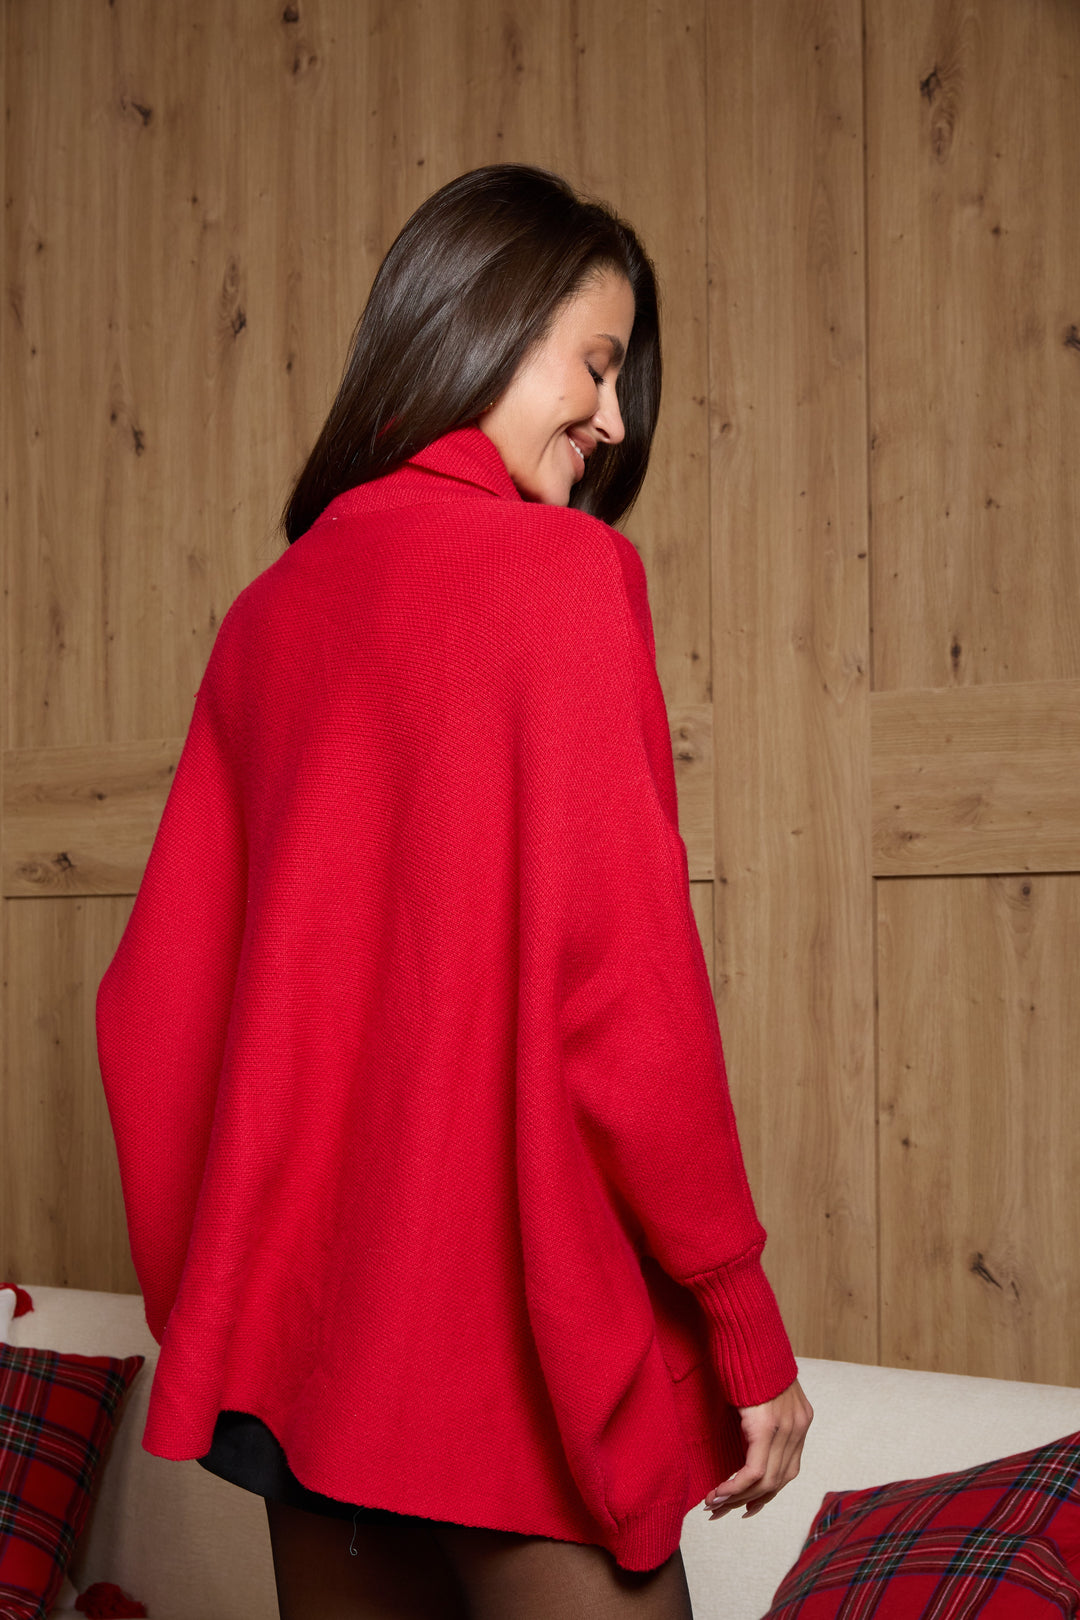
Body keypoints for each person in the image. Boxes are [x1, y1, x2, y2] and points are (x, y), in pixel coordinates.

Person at [97, 164, 812, 1620]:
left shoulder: (269, 617)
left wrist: (229, 1308)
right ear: (483, 326)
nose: (614, 420)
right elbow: (629, 998)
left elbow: (151, 1020)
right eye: (596, 364)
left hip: (302, 1379)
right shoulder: (565, 580)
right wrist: (739, 1312)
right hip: (510, 1381)